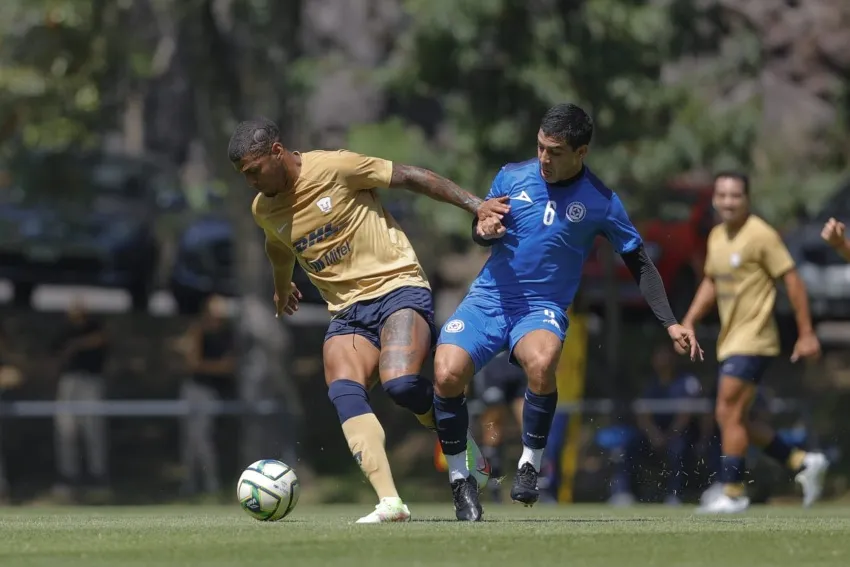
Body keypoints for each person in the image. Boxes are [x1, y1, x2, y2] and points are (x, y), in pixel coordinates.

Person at [432, 103, 702, 521]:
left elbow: (639, 262)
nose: (544, 158)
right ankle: (460, 481)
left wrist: (669, 321)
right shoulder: (511, 175)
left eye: (555, 151)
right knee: (446, 373)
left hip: (541, 307)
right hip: (490, 299)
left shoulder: (601, 202)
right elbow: (482, 226)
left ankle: (530, 465)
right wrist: (482, 230)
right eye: (540, 147)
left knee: (542, 361)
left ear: (581, 152)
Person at [227, 117, 505, 523]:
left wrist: (475, 204)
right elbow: (279, 247)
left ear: (277, 151)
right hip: (346, 312)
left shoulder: (336, 167)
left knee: (402, 384)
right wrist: (282, 286)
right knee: (343, 390)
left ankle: (455, 437)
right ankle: (391, 503)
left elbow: (412, 176)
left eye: (254, 171)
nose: (251, 182)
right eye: (244, 176)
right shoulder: (263, 209)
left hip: (398, 287)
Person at [682, 171, 828, 514]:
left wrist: (806, 333)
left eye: (735, 196)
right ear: (714, 199)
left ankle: (732, 492)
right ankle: (802, 461)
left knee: (726, 410)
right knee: (738, 418)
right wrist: (689, 320)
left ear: (747, 199)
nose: (728, 202)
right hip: (730, 340)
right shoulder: (717, 236)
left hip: (756, 339)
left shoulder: (761, 235)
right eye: (722, 196)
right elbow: (711, 282)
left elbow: (793, 282)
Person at [608, 343, 702, 506]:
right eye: (659, 356)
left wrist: (669, 435)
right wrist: (654, 435)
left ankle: (675, 494)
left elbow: (685, 415)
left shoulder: (686, 382)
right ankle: (622, 492)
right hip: (653, 435)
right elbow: (643, 415)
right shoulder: (650, 384)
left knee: (679, 448)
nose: (662, 360)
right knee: (627, 444)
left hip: (678, 434)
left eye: (666, 355)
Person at [51, 298, 110, 502]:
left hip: (91, 382)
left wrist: (76, 345)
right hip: (69, 382)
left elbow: (100, 339)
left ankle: (98, 477)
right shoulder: (63, 331)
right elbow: (55, 356)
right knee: (66, 431)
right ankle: (68, 478)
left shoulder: (94, 326)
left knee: (93, 429)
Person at [179, 294, 236, 499]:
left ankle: (209, 485)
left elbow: (229, 366)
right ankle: (191, 485)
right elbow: (192, 363)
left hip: (212, 392)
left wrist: (210, 366)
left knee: (202, 439)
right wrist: (216, 366)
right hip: (195, 389)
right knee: (191, 440)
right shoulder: (199, 330)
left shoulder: (227, 334)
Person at [472, 351, 526, 502]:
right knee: (493, 431)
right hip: (491, 364)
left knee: (529, 426)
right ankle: (494, 487)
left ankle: (536, 484)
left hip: (517, 363)